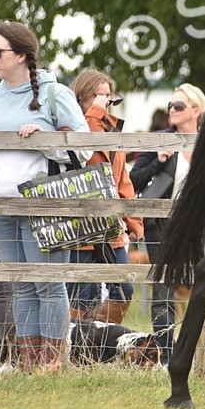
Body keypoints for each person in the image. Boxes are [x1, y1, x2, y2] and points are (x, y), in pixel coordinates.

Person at [0, 21, 90, 371]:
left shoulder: (55, 93)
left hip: (44, 201)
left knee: (48, 284)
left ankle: (52, 363)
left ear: (21, 55)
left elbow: (84, 147)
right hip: (0, 200)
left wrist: (44, 136)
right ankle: (29, 363)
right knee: (20, 284)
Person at [131, 83, 205, 364]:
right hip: (160, 223)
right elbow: (134, 180)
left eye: (179, 106)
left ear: (196, 111)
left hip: (198, 225)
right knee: (164, 288)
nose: (172, 111)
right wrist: (159, 161)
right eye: (171, 106)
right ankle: (165, 354)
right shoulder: (159, 139)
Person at [67, 68, 143, 324]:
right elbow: (83, 154)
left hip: (112, 229)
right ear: (81, 98)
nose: (106, 102)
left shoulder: (113, 132)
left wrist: (134, 221)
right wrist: (95, 115)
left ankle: (101, 342)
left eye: (108, 97)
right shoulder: (71, 128)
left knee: (123, 290)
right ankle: (79, 353)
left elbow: (123, 180)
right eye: (98, 97)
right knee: (81, 296)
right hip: (80, 229)